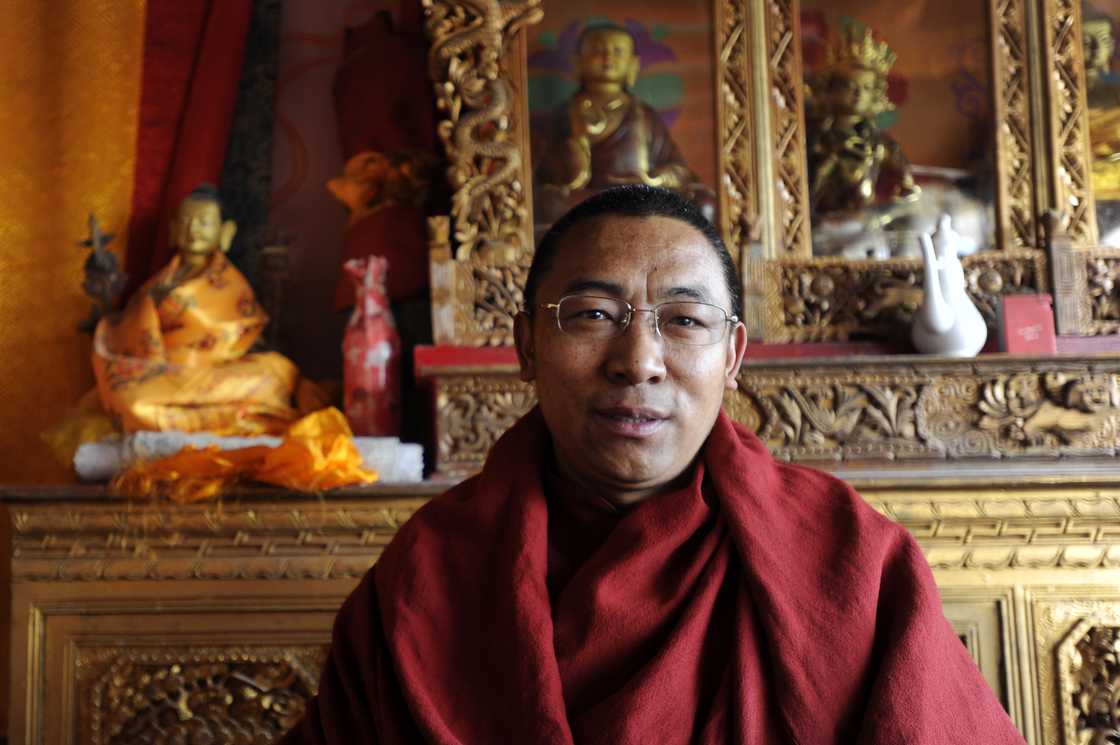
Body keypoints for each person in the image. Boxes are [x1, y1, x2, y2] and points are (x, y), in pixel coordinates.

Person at [281, 185, 1025, 744]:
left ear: (732, 356)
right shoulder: (431, 570)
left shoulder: (849, 559)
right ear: (527, 346)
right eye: (593, 315)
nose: (638, 362)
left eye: (684, 320)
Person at [92, 184, 307, 434]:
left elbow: (240, 337)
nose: (193, 230)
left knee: (268, 380)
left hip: (213, 375)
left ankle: (188, 419)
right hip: (163, 374)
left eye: (203, 223)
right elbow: (130, 336)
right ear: (173, 230)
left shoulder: (231, 285)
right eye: (185, 222)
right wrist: (145, 306)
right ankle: (213, 419)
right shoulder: (157, 284)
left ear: (225, 231)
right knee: (130, 398)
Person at [534, 23, 716, 226]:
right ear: (578, 63)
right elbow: (545, 172)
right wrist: (577, 145)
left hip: (639, 197)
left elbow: (680, 171)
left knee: (703, 201)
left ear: (633, 65)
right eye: (598, 50)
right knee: (547, 203)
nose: (607, 58)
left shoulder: (644, 115)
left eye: (617, 51)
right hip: (587, 199)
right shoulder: (565, 113)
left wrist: (652, 180)